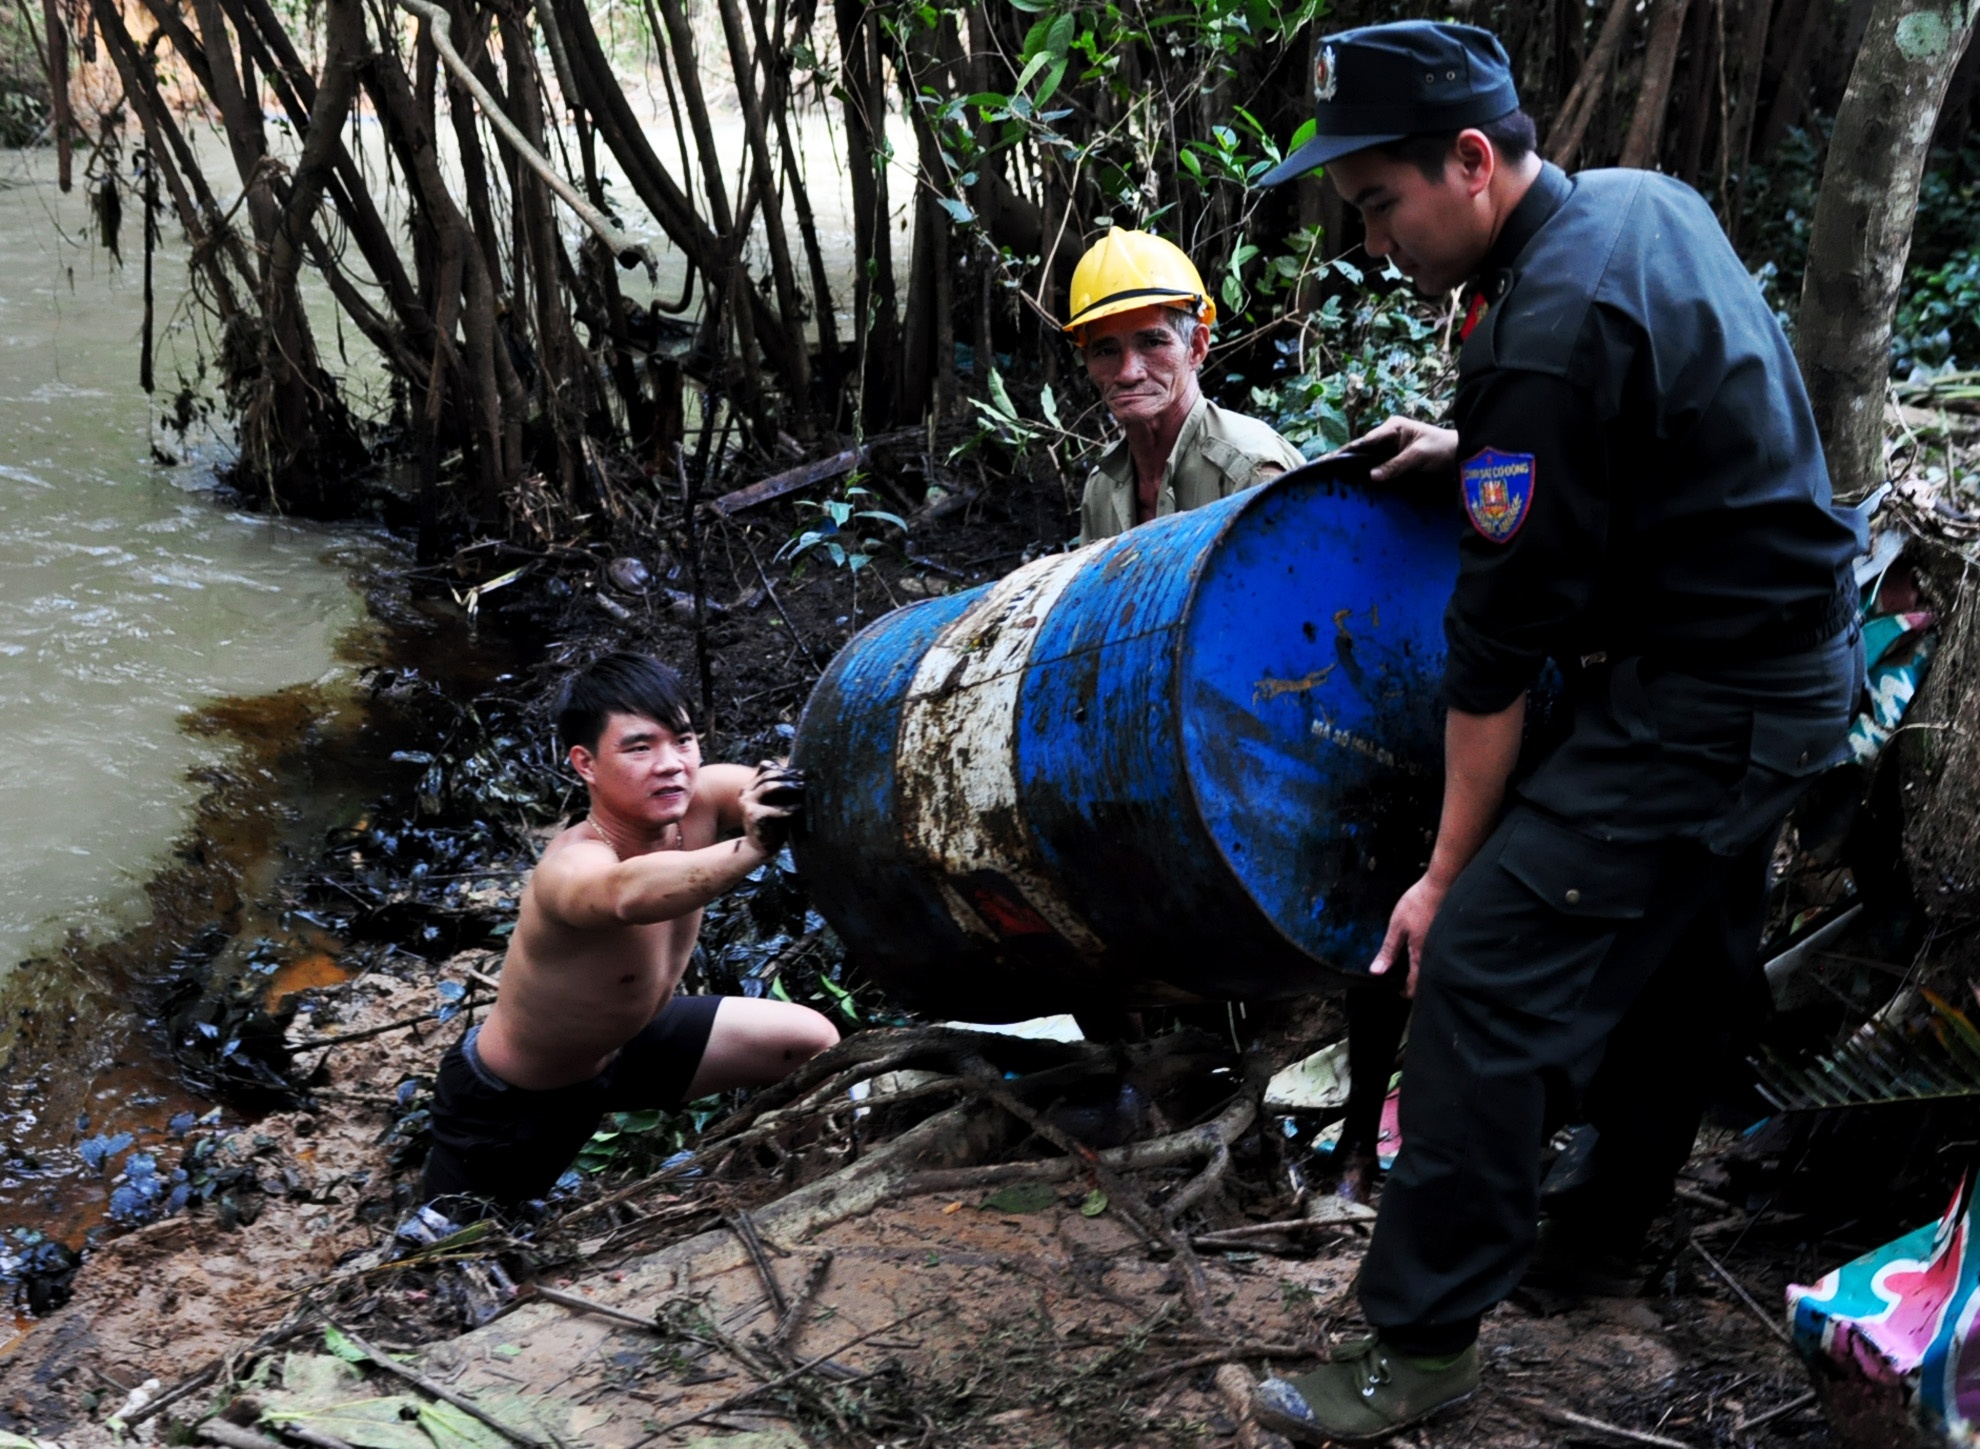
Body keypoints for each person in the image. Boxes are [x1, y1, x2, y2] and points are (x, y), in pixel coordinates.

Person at [1245, 21, 1865, 1442]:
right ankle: (1599, 1235)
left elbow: (1496, 653)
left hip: (1712, 696)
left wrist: (1449, 873)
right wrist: (1481, 458)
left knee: (1488, 965)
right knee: (1676, 958)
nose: (1375, 236)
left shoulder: (1538, 342)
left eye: (1382, 203)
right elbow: (1656, 415)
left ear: (1470, 162)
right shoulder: (1644, 200)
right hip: (1787, 658)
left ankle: (1419, 1348)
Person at [420, 652, 840, 1216]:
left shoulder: (705, 798)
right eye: (640, 747)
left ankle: (792, 1196)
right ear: (585, 763)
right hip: (512, 1102)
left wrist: (785, 790)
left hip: (632, 1045)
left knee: (809, 1040)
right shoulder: (572, 868)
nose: (672, 765)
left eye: (684, 740)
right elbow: (629, 892)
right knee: (453, 1267)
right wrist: (752, 848)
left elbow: (795, 786)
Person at [1064, 229, 1305, 544]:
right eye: (1106, 350)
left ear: (1196, 347)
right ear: (1087, 360)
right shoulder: (1102, 487)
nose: (1127, 373)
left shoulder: (1249, 471)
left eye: (1152, 342)